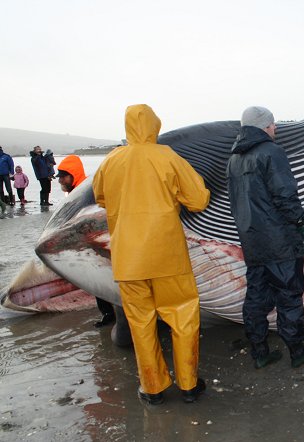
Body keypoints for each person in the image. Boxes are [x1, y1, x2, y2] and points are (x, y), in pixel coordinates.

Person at [93, 104, 210, 405]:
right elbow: (198, 199)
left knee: (141, 323)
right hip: (167, 255)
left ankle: (153, 387)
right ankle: (188, 384)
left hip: (128, 259)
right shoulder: (167, 156)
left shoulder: (111, 161)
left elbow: (100, 197)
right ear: (155, 126)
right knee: (182, 316)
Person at [226, 106, 304, 370]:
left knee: (256, 297)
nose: (275, 128)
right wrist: (301, 223)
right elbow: (285, 195)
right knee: (289, 294)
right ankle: (297, 351)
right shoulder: (272, 152)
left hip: (252, 242)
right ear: (265, 126)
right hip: (279, 241)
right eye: (273, 124)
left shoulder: (234, 159)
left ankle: (260, 353)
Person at [56, 154, 117, 327]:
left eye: (63, 176)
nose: (60, 180)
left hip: (99, 242)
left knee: (103, 277)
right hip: (89, 243)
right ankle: (108, 314)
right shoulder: (76, 193)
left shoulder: (86, 192)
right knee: (96, 279)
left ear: (72, 174)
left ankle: (112, 314)